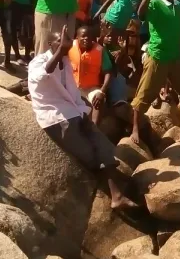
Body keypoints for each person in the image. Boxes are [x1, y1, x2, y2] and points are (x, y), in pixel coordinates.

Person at [27, 26, 137, 211]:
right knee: (90, 155)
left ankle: (117, 196)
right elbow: (42, 76)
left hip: (73, 112)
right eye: (59, 43)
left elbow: (72, 92)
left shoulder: (65, 62)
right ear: (50, 44)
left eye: (66, 44)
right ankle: (114, 192)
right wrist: (61, 51)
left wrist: (83, 110)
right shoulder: (39, 62)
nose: (64, 47)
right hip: (55, 117)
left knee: (101, 141)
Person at [131, 0, 180, 144]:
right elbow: (140, 13)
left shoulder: (179, 6)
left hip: (174, 58)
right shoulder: (155, 3)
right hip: (157, 56)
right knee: (144, 94)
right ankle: (135, 129)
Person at [68, 26, 133, 131]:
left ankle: (94, 130)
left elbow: (108, 72)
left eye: (89, 37)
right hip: (73, 85)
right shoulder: (69, 47)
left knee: (98, 100)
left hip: (91, 88)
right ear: (77, 37)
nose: (86, 39)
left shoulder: (100, 51)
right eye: (83, 36)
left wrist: (102, 91)